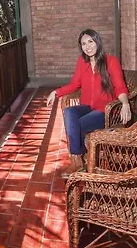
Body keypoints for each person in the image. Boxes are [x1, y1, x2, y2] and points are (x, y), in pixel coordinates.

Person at [46, 29, 131, 173]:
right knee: (69, 112)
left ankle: (77, 159)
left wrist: (125, 103)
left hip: (105, 111)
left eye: (90, 42)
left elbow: (120, 87)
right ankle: (78, 159)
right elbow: (74, 84)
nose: (87, 46)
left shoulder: (111, 61)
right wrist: (56, 92)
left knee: (76, 125)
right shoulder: (82, 61)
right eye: (83, 44)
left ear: (97, 41)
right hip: (87, 107)